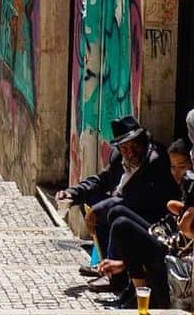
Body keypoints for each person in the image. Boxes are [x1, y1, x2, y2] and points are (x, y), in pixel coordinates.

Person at [57, 115, 173, 281]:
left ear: (143, 140)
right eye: (125, 148)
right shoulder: (119, 158)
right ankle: (105, 264)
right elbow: (102, 180)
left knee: (114, 212)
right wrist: (72, 194)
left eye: (135, 146)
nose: (131, 152)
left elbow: (134, 200)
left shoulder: (154, 160)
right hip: (122, 207)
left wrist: (99, 209)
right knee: (93, 200)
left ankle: (116, 276)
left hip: (150, 221)